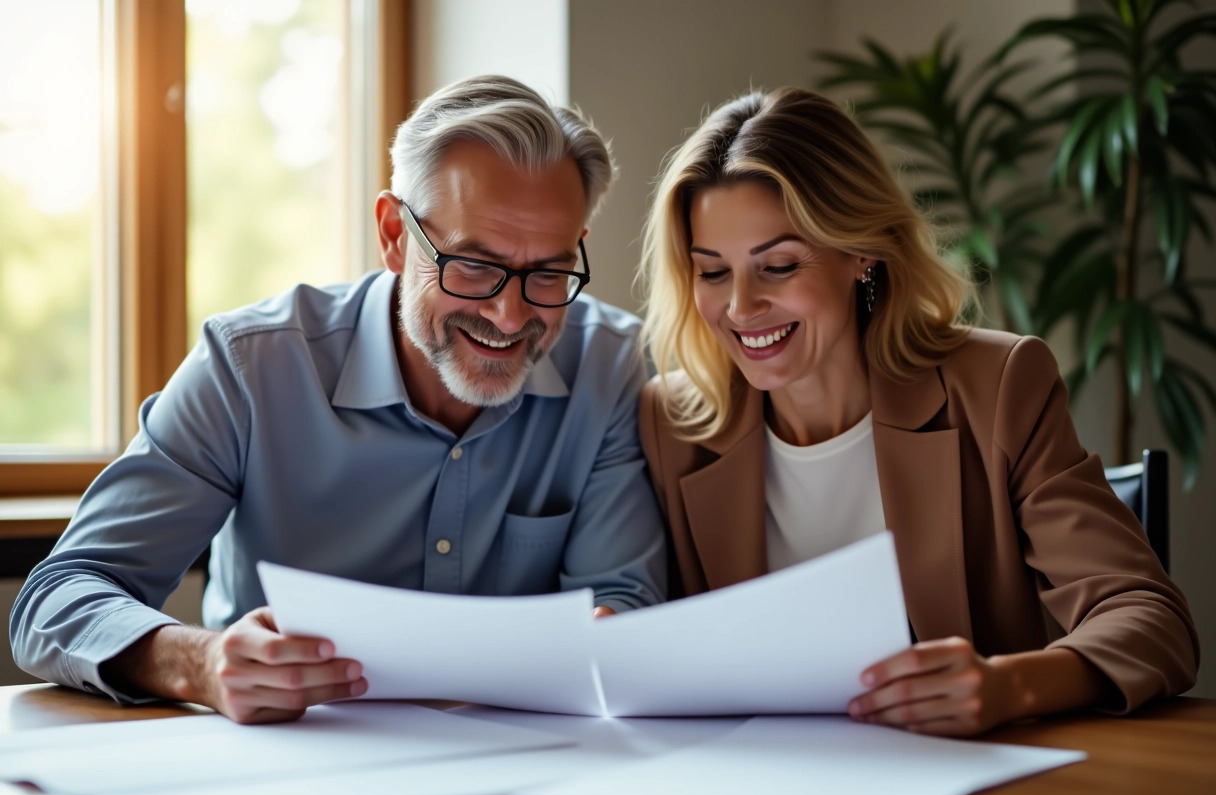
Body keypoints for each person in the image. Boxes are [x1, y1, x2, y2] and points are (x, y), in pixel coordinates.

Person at [10, 75, 666, 724]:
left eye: (548, 272)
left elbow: (618, 611)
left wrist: (612, 641)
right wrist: (201, 663)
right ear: (393, 235)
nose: (509, 312)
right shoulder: (252, 367)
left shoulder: (610, 368)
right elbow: (56, 599)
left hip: (525, 774)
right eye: (473, 265)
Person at [636, 87, 1198, 737]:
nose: (740, 306)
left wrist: (1010, 684)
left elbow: (1151, 617)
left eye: (779, 265)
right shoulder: (668, 422)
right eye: (712, 273)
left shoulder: (999, 386)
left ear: (862, 252)